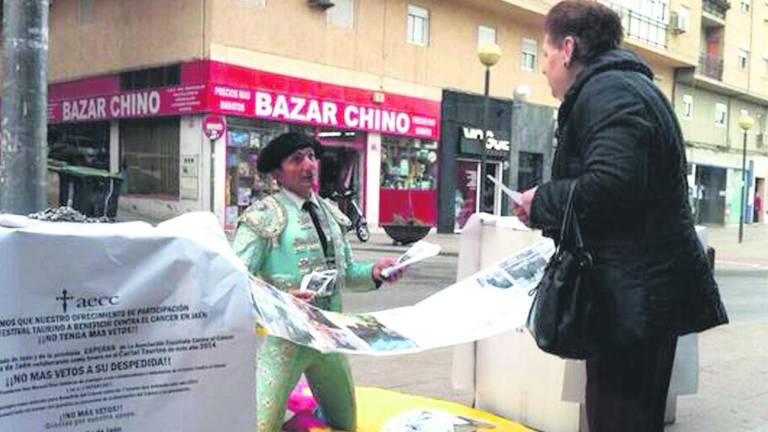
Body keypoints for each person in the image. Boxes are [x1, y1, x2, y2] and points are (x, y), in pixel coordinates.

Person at [511, 2, 729, 431]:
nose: (543, 68)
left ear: (568, 48)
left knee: (618, 420)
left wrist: (542, 202)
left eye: (545, 54)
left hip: (633, 305)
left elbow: (612, 186)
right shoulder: (624, 88)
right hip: (637, 298)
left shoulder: (611, 92)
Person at [232, 132, 404, 432]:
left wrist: (375, 273)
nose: (308, 165)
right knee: (261, 426)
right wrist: (282, 299)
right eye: (297, 159)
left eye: (311, 157)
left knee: (344, 423)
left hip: (329, 337)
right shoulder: (262, 216)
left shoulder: (329, 212)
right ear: (277, 172)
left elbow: (346, 274)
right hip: (286, 339)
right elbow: (233, 281)